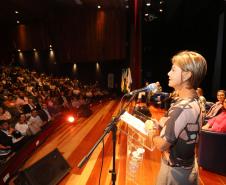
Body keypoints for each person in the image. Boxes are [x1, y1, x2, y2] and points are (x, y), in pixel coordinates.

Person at [145, 50, 207, 185]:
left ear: (186, 75)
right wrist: (164, 122)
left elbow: (162, 145)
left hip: (174, 173)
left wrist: (152, 131)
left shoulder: (181, 109)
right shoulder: (197, 101)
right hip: (189, 167)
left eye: (173, 70)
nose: (168, 73)